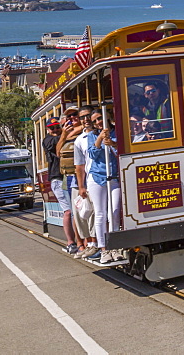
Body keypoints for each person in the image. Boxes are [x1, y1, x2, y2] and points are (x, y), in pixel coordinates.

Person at [86, 111, 124, 265]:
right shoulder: (91, 135)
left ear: (107, 117)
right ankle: (104, 249)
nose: (99, 122)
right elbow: (92, 155)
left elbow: (122, 150)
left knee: (114, 212)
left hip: (114, 177)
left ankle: (114, 247)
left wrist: (113, 143)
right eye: (95, 121)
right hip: (98, 178)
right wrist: (100, 139)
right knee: (101, 214)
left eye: (100, 118)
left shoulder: (117, 132)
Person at [41, 116, 77, 252]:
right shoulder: (47, 141)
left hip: (71, 176)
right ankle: (70, 242)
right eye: (52, 128)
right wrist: (65, 133)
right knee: (68, 211)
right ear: (48, 129)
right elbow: (58, 145)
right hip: (58, 179)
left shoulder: (64, 135)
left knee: (78, 210)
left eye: (58, 127)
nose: (56, 130)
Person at [71, 107, 99, 260]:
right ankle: (88, 244)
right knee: (82, 213)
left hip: (99, 179)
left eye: (88, 116)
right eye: (82, 117)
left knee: (96, 213)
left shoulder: (99, 134)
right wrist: (81, 186)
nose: (86, 120)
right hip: (87, 181)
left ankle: (95, 243)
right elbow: (79, 166)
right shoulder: (79, 140)